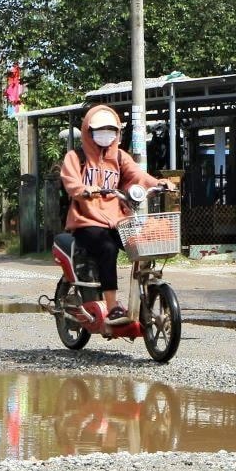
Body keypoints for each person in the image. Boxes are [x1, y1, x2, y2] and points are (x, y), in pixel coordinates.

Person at [59, 105, 172, 323]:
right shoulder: (76, 157)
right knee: (107, 249)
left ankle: (145, 296)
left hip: (117, 220)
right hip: (86, 222)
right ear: (88, 131)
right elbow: (70, 181)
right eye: (100, 130)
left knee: (142, 243)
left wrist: (158, 183)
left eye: (111, 130)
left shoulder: (119, 157)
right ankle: (112, 307)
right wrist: (83, 190)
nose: (106, 134)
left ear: (117, 133)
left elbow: (138, 175)